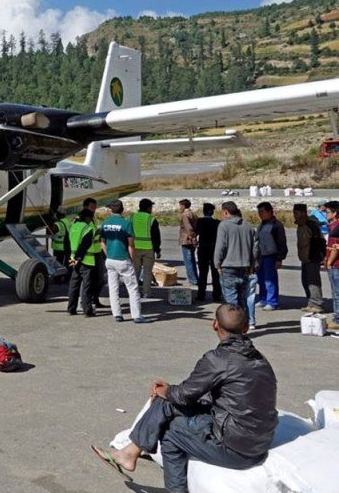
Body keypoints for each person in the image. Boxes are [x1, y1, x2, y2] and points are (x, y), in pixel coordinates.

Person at [92, 304, 278, 493]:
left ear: (215, 325)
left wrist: (166, 391)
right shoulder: (260, 359)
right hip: (257, 441)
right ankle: (129, 453)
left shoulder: (218, 359)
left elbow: (184, 395)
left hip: (237, 450)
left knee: (170, 431)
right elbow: (208, 395)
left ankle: (148, 468)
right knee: (167, 401)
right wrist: (169, 391)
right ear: (246, 328)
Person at [100, 200, 152, 323]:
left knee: (113, 288)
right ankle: (136, 315)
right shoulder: (126, 224)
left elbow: (102, 241)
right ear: (122, 210)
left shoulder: (105, 223)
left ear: (110, 210)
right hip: (123, 259)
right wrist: (133, 261)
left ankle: (117, 314)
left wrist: (108, 254)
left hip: (110, 260)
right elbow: (130, 245)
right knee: (132, 288)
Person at [215, 201, 260, 329]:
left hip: (228, 267)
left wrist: (217, 264)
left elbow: (220, 247)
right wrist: (252, 264)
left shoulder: (224, 226)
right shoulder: (248, 226)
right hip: (245, 267)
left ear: (225, 212)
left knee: (231, 301)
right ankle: (243, 325)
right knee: (242, 300)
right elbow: (255, 248)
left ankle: (233, 328)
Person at [67, 207, 101, 317]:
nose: (91, 220)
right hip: (86, 261)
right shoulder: (87, 229)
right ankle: (87, 310)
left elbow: (67, 243)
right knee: (87, 287)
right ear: (87, 218)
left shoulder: (72, 227)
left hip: (73, 259)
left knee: (74, 285)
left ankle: (71, 309)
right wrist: (79, 258)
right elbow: (85, 245)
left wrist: (72, 258)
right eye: (91, 218)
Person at [293, 204, 326, 314]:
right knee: (306, 281)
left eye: (296, 213)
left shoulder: (311, 225)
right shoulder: (301, 225)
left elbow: (318, 242)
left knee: (313, 282)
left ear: (303, 213)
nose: (294, 216)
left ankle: (317, 303)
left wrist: (318, 257)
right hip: (305, 258)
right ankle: (311, 302)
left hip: (312, 258)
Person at [255, 202, 287, 311]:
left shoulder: (276, 225)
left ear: (269, 212)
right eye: (259, 212)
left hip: (271, 256)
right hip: (261, 256)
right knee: (261, 279)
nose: (260, 214)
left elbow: (281, 242)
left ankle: (272, 302)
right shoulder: (261, 225)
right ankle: (263, 298)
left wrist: (279, 258)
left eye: (262, 212)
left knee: (270, 280)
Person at [131, 198, 161, 299]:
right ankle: (147, 293)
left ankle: (134, 292)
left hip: (134, 249)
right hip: (148, 248)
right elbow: (156, 236)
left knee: (135, 271)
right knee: (147, 272)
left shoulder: (131, 217)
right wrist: (157, 250)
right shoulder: (151, 219)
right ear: (148, 208)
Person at [195, 203, 222, 303]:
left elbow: (195, 232)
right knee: (215, 274)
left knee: (202, 273)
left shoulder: (200, 221)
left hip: (203, 249)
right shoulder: (217, 223)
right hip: (214, 249)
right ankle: (217, 295)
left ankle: (201, 294)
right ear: (212, 212)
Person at [83, 197, 106, 306]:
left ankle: (95, 299)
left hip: (97, 252)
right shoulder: (82, 219)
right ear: (85, 207)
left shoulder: (94, 218)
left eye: (95, 207)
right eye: (92, 207)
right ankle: (87, 301)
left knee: (100, 279)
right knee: (88, 281)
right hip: (87, 255)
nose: (94, 209)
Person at [323, 202, 339, 332]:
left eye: (328, 212)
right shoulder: (331, 226)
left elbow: (336, 248)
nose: (326, 214)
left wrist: (329, 262)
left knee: (337, 293)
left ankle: (337, 319)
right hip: (332, 262)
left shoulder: (336, 228)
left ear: (335, 213)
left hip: (336, 264)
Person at [178, 199, 199, 286]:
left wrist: (192, 237)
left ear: (183, 206)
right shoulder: (194, 214)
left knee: (188, 261)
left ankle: (193, 280)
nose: (179, 207)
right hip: (192, 239)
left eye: (180, 206)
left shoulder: (185, 215)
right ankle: (195, 278)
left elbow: (188, 228)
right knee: (192, 260)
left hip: (187, 240)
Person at [49, 207, 72, 283]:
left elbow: (51, 231)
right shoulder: (68, 221)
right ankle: (67, 278)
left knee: (58, 263)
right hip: (68, 246)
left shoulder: (58, 224)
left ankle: (58, 279)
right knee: (67, 263)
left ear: (58, 214)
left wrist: (51, 221)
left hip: (59, 247)